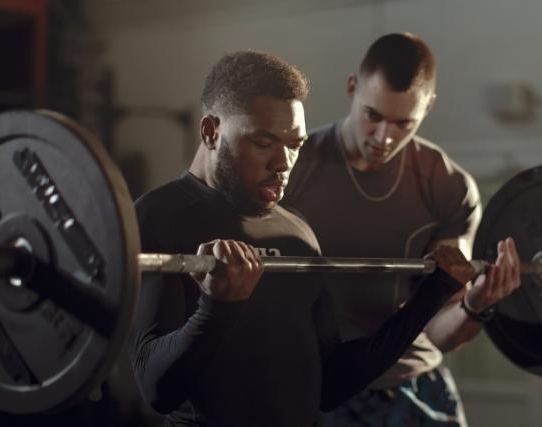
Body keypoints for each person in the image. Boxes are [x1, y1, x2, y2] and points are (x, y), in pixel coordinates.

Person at [129, 50, 511, 427]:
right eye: (264, 143)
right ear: (211, 131)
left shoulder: (297, 232)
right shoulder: (160, 217)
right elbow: (158, 391)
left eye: (294, 145)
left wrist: (432, 295)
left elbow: (331, 383)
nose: (283, 164)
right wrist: (218, 307)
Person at [282, 33, 522, 426]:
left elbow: (442, 333)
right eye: (373, 115)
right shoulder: (293, 167)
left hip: (411, 388)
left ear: (428, 108)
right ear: (352, 87)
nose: (384, 137)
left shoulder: (448, 187)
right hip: (313, 386)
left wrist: (475, 307)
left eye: (402, 123)